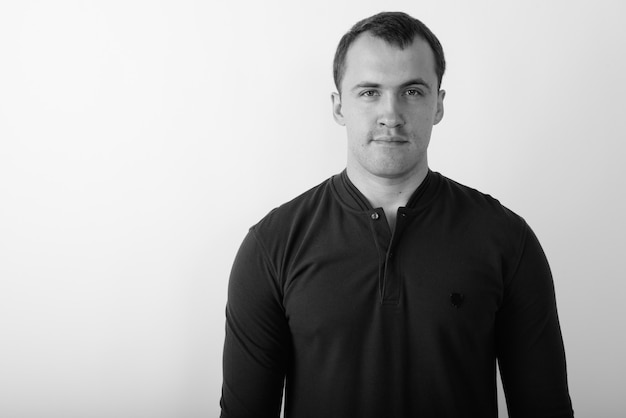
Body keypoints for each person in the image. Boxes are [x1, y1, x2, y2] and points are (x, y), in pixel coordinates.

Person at [220, 11, 573, 418]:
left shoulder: (507, 240)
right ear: (338, 107)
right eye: (369, 92)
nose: (391, 113)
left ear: (438, 104)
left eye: (412, 91)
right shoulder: (272, 245)